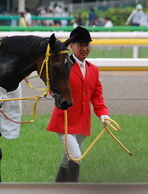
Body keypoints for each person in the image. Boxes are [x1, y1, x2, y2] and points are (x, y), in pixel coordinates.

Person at [46, 26, 110, 182]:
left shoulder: (93, 69)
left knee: (67, 160)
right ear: (71, 46)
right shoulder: (63, 66)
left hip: (83, 123)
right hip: (64, 121)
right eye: (80, 45)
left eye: (87, 44)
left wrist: (103, 114)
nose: (85, 48)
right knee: (75, 157)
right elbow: (53, 86)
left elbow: (97, 96)